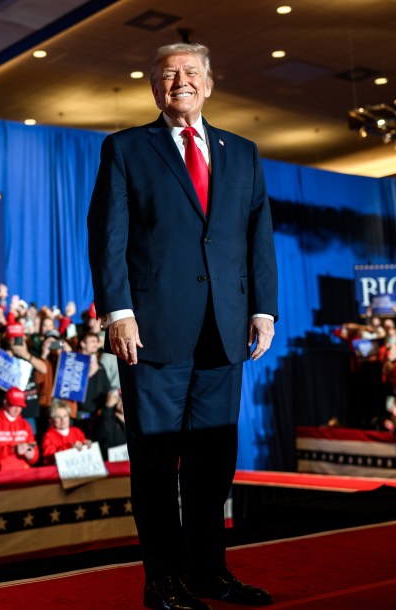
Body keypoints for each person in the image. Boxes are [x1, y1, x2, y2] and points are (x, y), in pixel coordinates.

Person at [87, 42, 277, 609]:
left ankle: (208, 573)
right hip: (153, 331)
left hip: (225, 331)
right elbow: (108, 237)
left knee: (213, 461)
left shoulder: (241, 152)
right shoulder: (125, 149)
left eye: (191, 73)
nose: (181, 82)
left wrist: (263, 308)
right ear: (154, 87)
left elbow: (256, 235)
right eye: (169, 74)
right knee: (154, 461)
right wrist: (118, 312)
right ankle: (162, 579)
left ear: (209, 84)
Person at [0, 387, 38, 472]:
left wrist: (32, 456)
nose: (17, 409)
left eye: (20, 406)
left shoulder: (25, 425)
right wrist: (13, 449)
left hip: (23, 472)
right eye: (14, 405)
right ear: (5, 402)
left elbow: (34, 452)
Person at [41, 399, 91, 464]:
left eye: (65, 416)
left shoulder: (76, 431)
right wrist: (69, 449)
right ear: (51, 420)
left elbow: (84, 448)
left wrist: (86, 445)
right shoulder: (48, 436)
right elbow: (49, 457)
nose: (63, 420)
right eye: (58, 417)